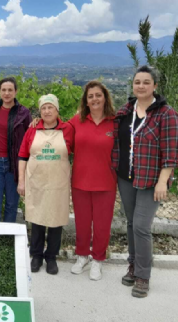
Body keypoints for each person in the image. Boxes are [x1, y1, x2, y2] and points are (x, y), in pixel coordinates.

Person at [112, 65, 178, 298]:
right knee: (130, 223)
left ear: (155, 86)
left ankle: (143, 275)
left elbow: (171, 150)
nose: (140, 86)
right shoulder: (126, 110)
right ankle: (133, 264)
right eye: (137, 82)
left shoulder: (165, 113)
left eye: (146, 82)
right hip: (126, 177)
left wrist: (163, 180)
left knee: (141, 226)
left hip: (151, 179)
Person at [17, 94, 73, 275]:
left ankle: (51, 257)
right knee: (37, 219)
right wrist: (21, 181)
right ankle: (36, 256)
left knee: (56, 221)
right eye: (43, 108)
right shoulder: (32, 130)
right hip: (36, 182)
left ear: (57, 110)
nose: (47, 111)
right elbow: (23, 156)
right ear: (39, 111)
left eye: (50, 107)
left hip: (58, 183)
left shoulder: (68, 129)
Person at [69, 81, 116, 281]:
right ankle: (82, 256)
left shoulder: (115, 122)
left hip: (106, 182)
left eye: (98, 95)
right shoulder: (76, 122)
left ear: (105, 97)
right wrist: (35, 123)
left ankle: (97, 259)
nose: (94, 99)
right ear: (86, 101)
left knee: (102, 224)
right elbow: (55, 133)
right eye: (90, 96)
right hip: (80, 180)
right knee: (82, 222)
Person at [0, 77, 32, 222]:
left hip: (14, 164)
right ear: (0, 92)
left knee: (11, 205)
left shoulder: (23, 113)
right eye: (4, 90)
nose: (7, 93)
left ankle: (7, 240)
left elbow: (30, 136)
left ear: (16, 92)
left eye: (10, 90)